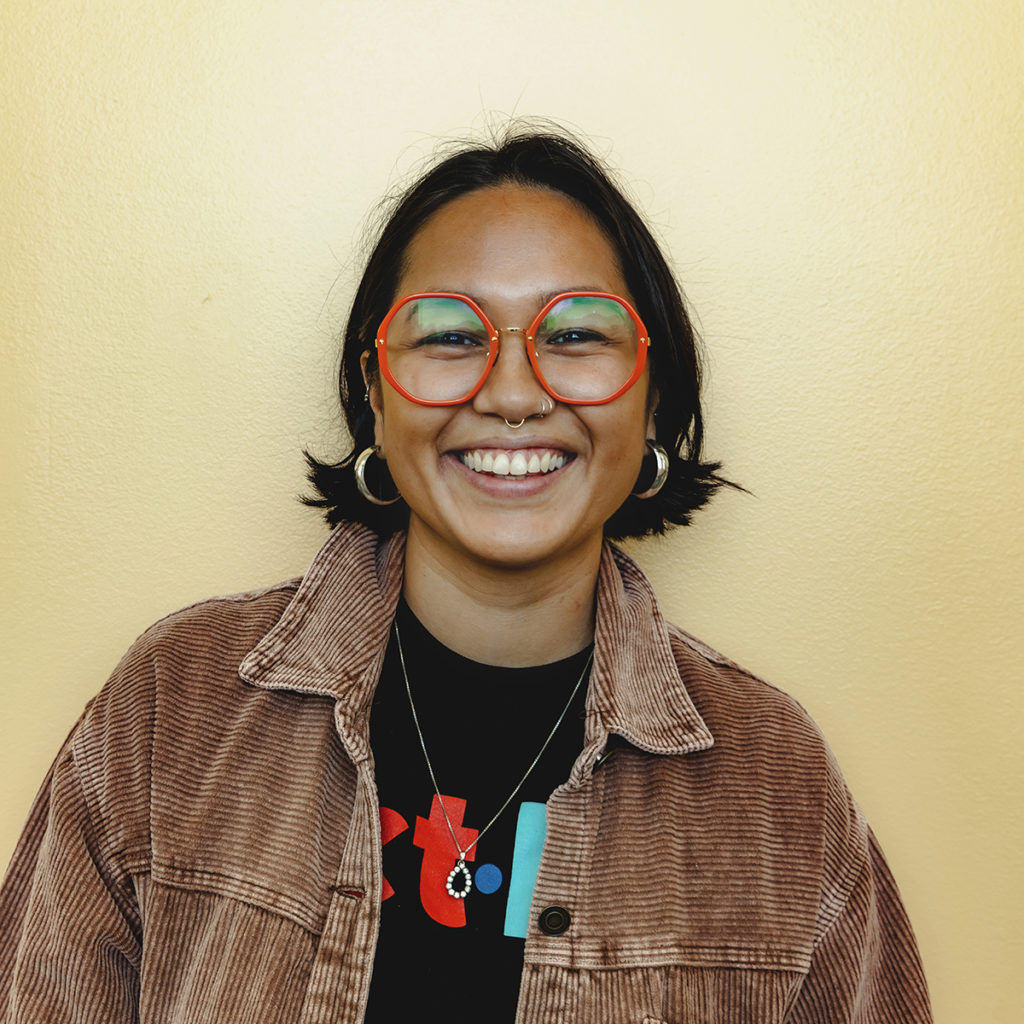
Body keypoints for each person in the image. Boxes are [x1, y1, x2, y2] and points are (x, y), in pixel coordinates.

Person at [0, 128, 932, 1023]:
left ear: (655, 395)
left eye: (576, 336)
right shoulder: (176, 703)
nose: (515, 393)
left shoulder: (774, 784)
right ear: (375, 390)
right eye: (449, 336)